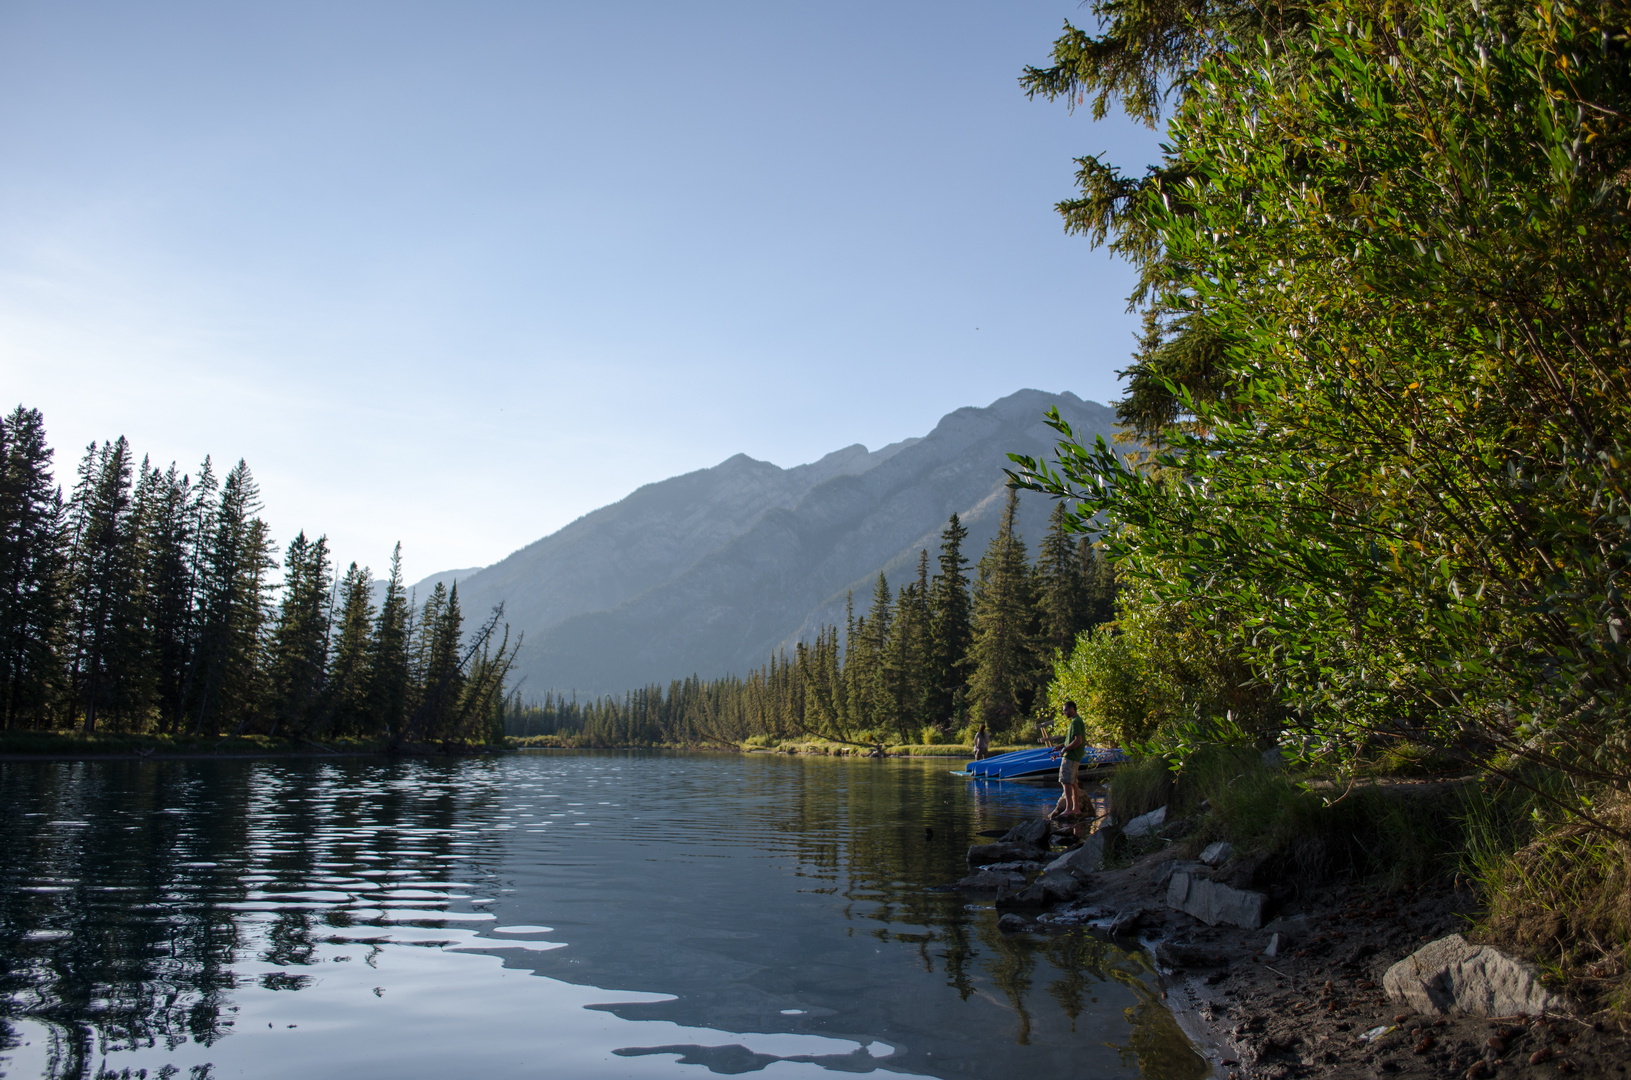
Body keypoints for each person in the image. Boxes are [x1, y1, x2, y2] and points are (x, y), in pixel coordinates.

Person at [1050, 700, 1087, 819]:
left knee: (1065, 781)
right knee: (1073, 782)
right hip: (1074, 757)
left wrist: (1065, 749)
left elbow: (1078, 741)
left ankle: (1069, 809)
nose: (1064, 712)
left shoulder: (1076, 722)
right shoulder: (1076, 721)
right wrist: (1061, 745)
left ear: (1072, 709)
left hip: (1071, 757)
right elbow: (1072, 739)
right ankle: (1075, 809)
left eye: (1065, 710)